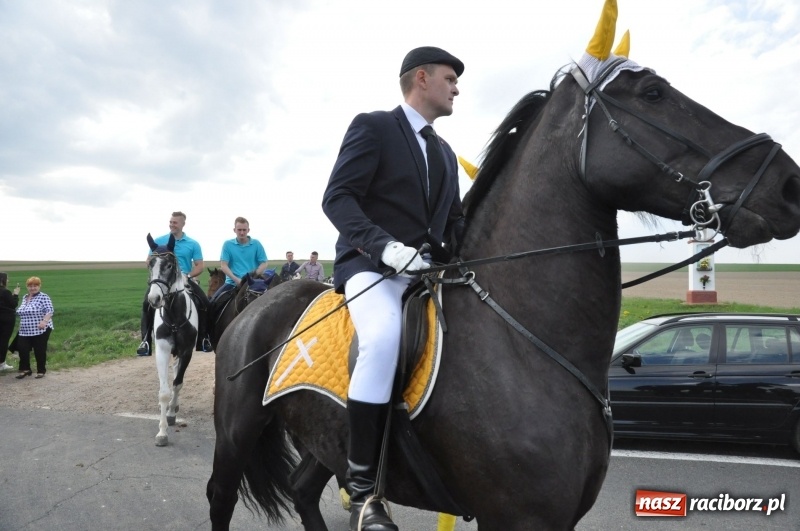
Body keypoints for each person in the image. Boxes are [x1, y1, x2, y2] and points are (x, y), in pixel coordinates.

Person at [321, 46, 466, 531]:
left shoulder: (445, 153)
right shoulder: (375, 126)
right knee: (382, 340)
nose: (456, 88)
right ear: (421, 79)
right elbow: (337, 198)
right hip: (371, 269)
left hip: (425, 273)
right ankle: (363, 493)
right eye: (449, 79)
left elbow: (456, 227)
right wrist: (385, 247)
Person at [137, 211, 208, 356]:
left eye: (175, 222)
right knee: (146, 304)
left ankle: (203, 339)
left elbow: (200, 266)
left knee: (205, 302)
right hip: (163, 281)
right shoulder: (158, 241)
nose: (172, 225)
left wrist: (187, 276)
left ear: (183, 224)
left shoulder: (192, 244)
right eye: (170, 222)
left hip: (185, 279)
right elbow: (148, 260)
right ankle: (145, 341)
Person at [210, 217, 268, 302]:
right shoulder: (227, 245)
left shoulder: (256, 244)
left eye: (244, 230)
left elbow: (264, 263)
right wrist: (237, 280)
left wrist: (253, 277)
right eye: (239, 230)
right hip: (232, 283)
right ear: (234, 230)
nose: (242, 232)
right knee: (213, 303)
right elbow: (224, 266)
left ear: (248, 230)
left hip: (254, 283)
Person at [14, 277, 54, 379]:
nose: (33, 288)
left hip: (40, 328)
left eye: (35, 286)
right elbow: (22, 312)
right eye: (30, 286)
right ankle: (26, 369)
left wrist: (44, 321)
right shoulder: (24, 297)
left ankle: (41, 370)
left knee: (39, 350)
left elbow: (49, 310)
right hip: (25, 329)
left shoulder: (43, 297)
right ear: (27, 287)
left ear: (39, 286)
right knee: (22, 349)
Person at [0, 272, 20, 371]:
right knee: (3, 341)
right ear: (3, 280)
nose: (8, 280)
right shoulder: (5, 291)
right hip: (6, 319)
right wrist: (15, 295)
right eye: (7, 279)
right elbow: (13, 304)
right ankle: (1, 364)